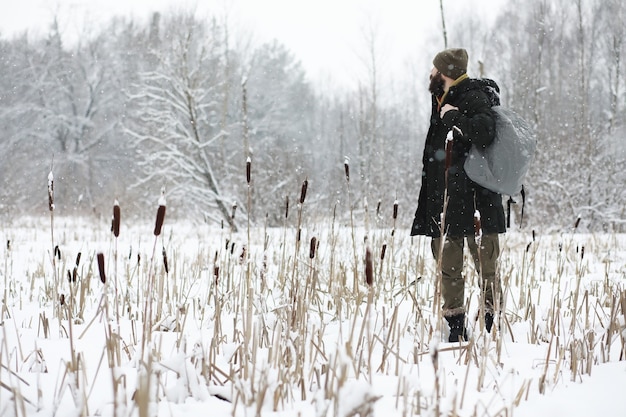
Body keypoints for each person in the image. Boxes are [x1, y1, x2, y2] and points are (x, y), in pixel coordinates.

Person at [410, 48, 506, 342]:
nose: (430, 74)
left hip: (478, 201)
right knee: (448, 267)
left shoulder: (473, 97)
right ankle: (455, 328)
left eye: (434, 70)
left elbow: (485, 132)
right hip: (446, 202)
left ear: (446, 74)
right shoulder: (441, 99)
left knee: (486, 266)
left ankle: (493, 324)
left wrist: (455, 118)